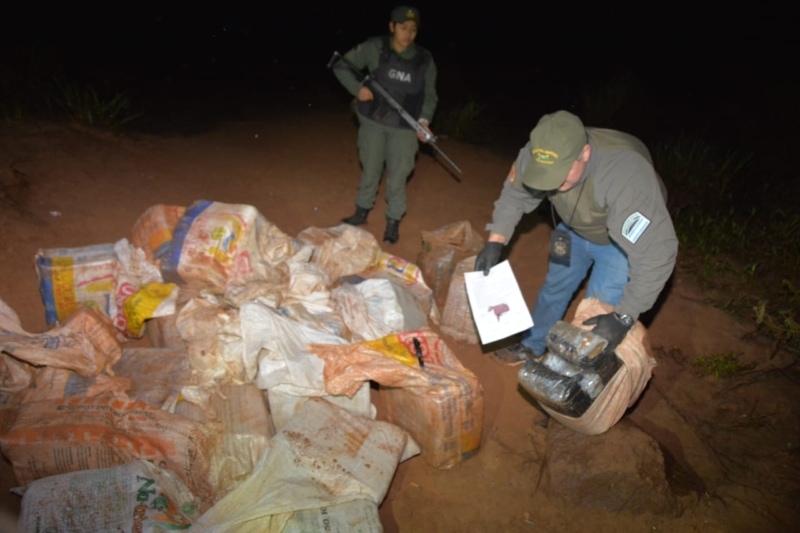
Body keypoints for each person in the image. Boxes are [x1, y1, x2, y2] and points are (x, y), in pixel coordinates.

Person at [475, 110, 678, 365]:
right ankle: (533, 344)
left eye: (561, 173)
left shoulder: (624, 174)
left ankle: (569, 371)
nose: (554, 183)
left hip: (618, 244)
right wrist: (496, 240)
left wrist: (624, 317)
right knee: (554, 287)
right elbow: (515, 195)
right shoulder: (538, 153)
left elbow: (656, 252)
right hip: (572, 227)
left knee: (597, 308)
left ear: (584, 153)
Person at [332, 5, 438, 244]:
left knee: (399, 175)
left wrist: (423, 121)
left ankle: (393, 221)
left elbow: (430, 95)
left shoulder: (424, 60)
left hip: (405, 127)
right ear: (391, 27)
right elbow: (341, 65)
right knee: (370, 167)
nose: (407, 34)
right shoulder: (374, 47)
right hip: (373, 121)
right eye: (402, 28)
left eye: (413, 29)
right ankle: (361, 211)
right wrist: (358, 89)